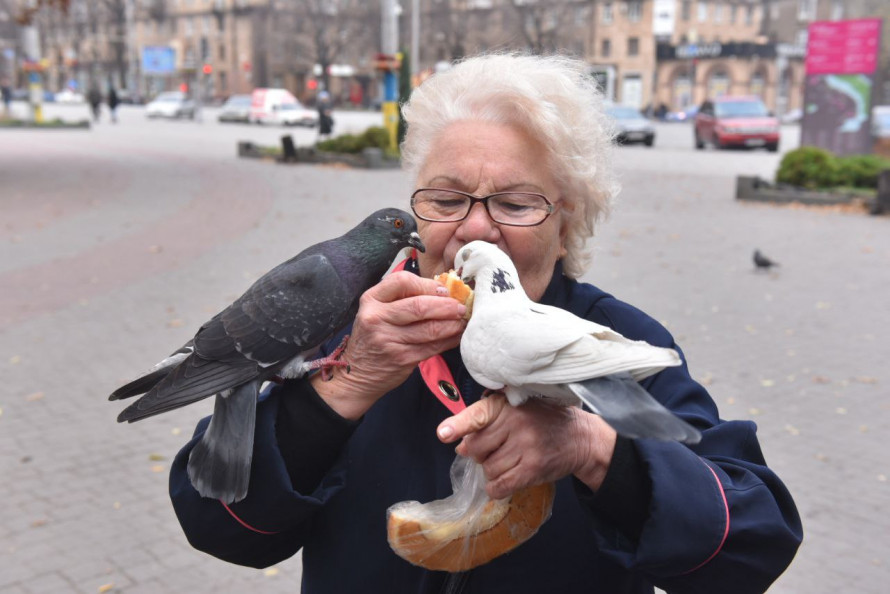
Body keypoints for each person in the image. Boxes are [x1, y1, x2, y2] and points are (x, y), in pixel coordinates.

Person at [170, 53, 802, 593]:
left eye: (516, 202)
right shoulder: (344, 335)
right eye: (446, 200)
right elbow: (218, 525)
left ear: (565, 225)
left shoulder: (611, 341)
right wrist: (345, 385)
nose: (475, 228)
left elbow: (755, 543)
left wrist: (593, 450)